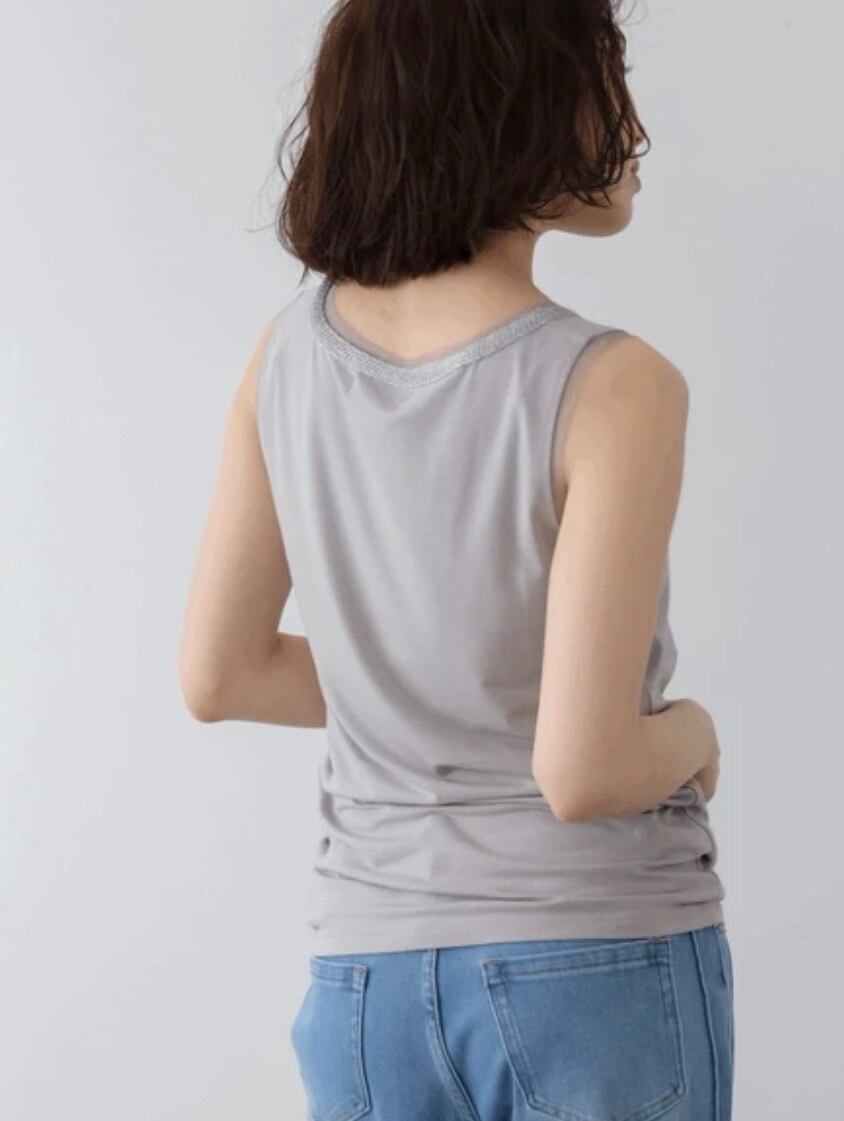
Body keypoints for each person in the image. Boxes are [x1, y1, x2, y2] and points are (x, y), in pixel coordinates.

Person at [179, 1, 734, 1117]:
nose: (629, 121)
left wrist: (425, 685)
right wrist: (694, 734)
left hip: (365, 982)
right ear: (512, 106)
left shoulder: (285, 357)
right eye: (601, 76)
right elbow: (584, 770)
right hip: (594, 960)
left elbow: (221, 673)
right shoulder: (614, 384)